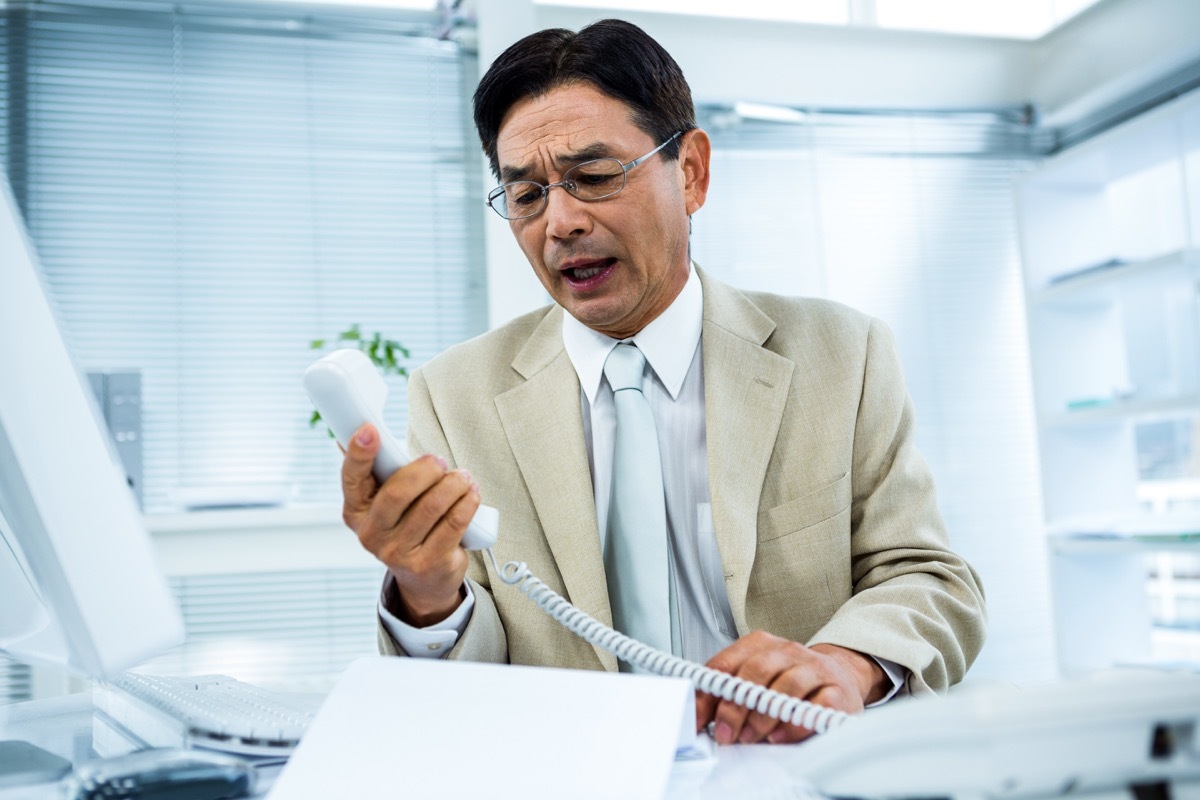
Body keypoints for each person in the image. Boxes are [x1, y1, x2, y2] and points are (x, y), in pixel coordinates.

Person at [339, 18, 986, 745]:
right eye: (526, 195)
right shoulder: (453, 394)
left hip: (798, 766)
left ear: (692, 173)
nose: (560, 223)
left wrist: (842, 664)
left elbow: (930, 578)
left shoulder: (842, 352)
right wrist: (428, 591)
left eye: (594, 175)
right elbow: (481, 674)